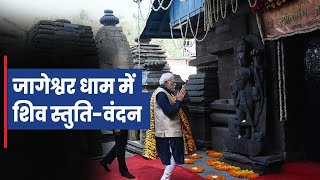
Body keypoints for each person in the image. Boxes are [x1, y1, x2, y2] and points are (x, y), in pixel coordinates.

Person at [143, 72, 196, 180]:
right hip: (169, 131)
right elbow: (170, 112)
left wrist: (178, 100)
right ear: (166, 82)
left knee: (170, 155)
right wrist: (179, 100)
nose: (175, 84)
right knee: (174, 156)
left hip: (167, 130)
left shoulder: (164, 92)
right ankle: (165, 177)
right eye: (173, 82)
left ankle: (166, 176)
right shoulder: (161, 94)